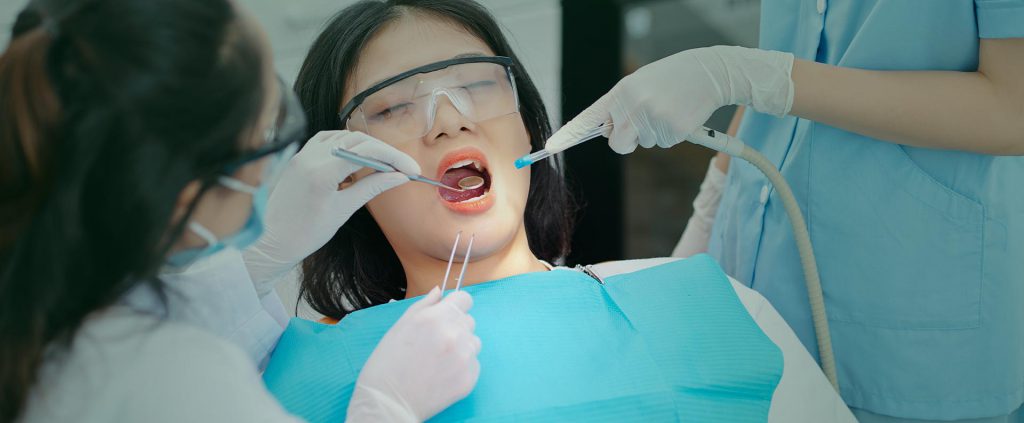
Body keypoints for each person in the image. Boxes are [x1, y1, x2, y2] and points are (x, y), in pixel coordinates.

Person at [261, 1, 854, 421]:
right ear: (342, 173)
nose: (448, 121)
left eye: (478, 84)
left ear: (528, 131)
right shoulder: (295, 375)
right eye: (391, 109)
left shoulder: (704, 307)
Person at [0, 0, 479, 421]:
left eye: (477, 85)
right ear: (187, 194)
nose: (449, 125)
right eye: (265, 137)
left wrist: (261, 259)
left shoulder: (51, 317)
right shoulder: (181, 382)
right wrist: (387, 408)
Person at [555, 1, 1024, 422]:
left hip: (903, 307)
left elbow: (1014, 108)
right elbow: (790, 50)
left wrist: (741, 74)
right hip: (749, 262)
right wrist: (709, 212)